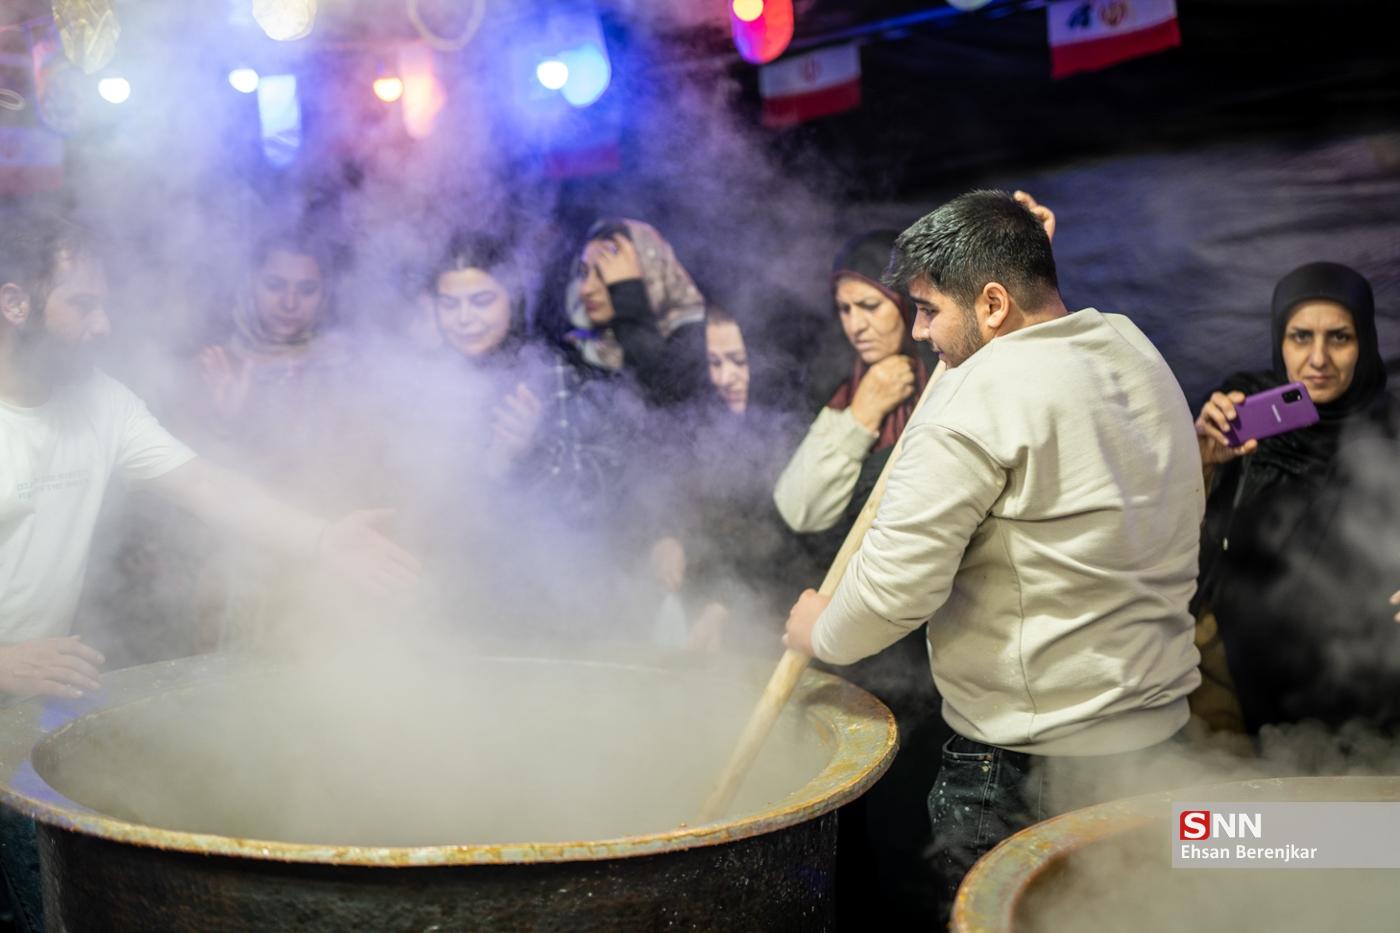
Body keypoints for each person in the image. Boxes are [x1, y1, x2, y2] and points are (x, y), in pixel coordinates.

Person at [781, 190, 1205, 918]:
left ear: (995, 303)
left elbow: (891, 594)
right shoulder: (1134, 348)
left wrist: (821, 630)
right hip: (1158, 741)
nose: (919, 332)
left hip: (1029, 766)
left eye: (928, 310)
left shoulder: (971, 404)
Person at [0, 214, 419, 930]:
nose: (104, 324)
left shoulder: (100, 400)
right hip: (12, 672)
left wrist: (322, 539)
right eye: (83, 304)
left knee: (48, 901)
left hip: (24, 703)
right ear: (14, 302)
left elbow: (207, 485)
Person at [1193, 261, 1400, 734]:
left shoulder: (1391, 431)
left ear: (1365, 342)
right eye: (1301, 337)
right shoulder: (1238, 414)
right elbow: (1170, 542)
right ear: (1279, 341)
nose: (1318, 359)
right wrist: (1201, 460)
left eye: (1339, 338)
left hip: (1366, 682)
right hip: (1236, 681)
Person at [564, 218, 708, 408]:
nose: (586, 289)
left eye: (604, 273)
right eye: (584, 273)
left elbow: (665, 405)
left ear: (650, 276)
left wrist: (628, 296)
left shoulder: (700, 343)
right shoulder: (572, 351)